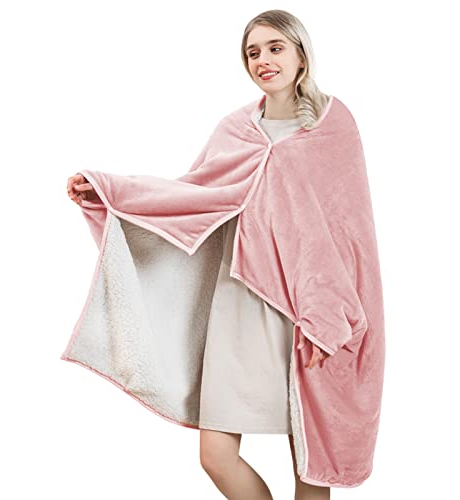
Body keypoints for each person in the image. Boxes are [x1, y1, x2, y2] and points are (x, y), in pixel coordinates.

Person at [68, 9, 335, 500]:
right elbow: (190, 195)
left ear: (301, 55)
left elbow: (344, 231)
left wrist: (329, 317)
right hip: (238, 298)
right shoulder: (236, 129)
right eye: (253, 52)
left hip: (303, 308)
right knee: (216, 454)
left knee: (310, 458)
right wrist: (110, 190)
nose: (263, 60)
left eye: (275, 48)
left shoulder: (331, 126)